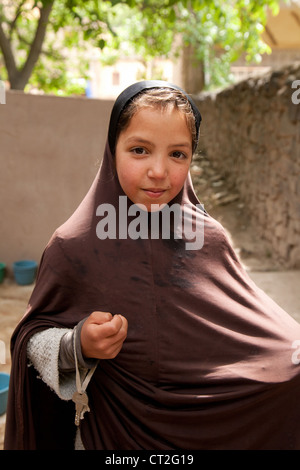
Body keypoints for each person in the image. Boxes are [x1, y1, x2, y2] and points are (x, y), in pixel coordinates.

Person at [4, 80, 300, 450]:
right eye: (140, 150)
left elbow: (249, 322)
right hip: (117, 434)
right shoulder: (74, 246)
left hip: (208, 425)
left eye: (178, 154)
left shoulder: (209, 238)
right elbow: (30, 341)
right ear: (113, 150)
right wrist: (76, 343)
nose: (159, 171)